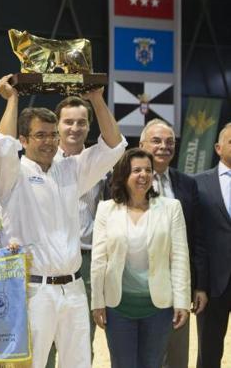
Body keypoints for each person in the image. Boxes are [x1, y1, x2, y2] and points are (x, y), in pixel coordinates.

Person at [0, 74, 126, 368]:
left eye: (53, 135)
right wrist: (13, 98)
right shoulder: (12, 174)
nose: (49, 141)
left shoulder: (70, 170)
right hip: (32, 290)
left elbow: (114, 147)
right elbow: (2, 145)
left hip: (74, 289)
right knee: (31, 364)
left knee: (78, 363)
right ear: (23, 140)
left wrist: (97, 99)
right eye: (40, 135)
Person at [91, 148, 190, 368]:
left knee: (152, 364)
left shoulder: (171, 208)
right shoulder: (106, 209)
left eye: (148, 170)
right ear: (124, 175)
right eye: (136, 170)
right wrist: (97, 302)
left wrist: (182, 301)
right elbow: (99, 260)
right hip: (118, 307)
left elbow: (180, 257)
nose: (143, 175)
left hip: (158, 308)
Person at [137, 118, 207, 368]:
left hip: (177, 283)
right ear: (142, 144)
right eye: (156, 141)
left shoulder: (188, 184)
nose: (164, 146)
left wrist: (199, 286)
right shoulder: (123, 181)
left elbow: (197, 237)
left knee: (176, 356)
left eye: (169, 142)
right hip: (136, 282)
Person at [45, 95, 106, 367]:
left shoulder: (100, 166)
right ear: (57, 126)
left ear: (89, 126)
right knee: (44, 339)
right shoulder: (42, 163)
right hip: (48, 259)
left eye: (81, 122)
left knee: (82, 336)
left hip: (88, 257)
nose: (75, 128)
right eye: (68, 122)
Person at [195, 122, 231, 368]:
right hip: (213, 286)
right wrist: (199, 286)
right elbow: (196, 239)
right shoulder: (197, 183)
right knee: (208, 354)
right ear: (218, 148)